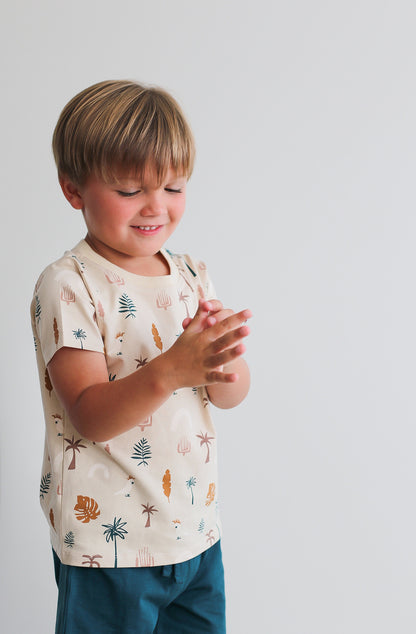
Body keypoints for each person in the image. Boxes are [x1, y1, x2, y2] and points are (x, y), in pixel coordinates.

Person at [31, 79, 251, 633]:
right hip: (110, 545)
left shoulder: (191, 274)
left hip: (194, 534)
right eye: (130, 190)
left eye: (174, 186)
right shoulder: (71, 284)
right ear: (73, 190)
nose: (157, 206)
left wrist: (221, 363)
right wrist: (172, 368)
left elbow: (230, 394)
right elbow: (90, 413)